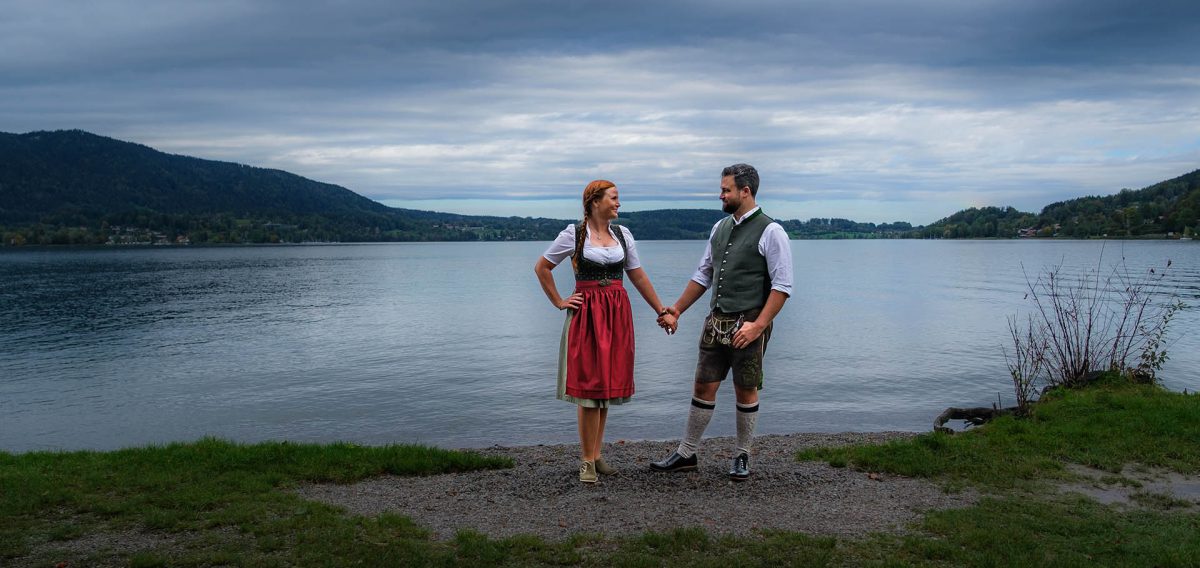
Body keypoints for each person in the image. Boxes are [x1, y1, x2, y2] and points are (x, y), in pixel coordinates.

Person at [652, 163, 793, 481]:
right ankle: (686, 453)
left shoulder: (772, 231)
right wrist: (676, 309)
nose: (721, 195)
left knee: (746, 389)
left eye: (726, 189)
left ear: (746, 191)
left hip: (749, 324)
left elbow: (782, 287)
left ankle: (743, 455)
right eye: (722, 189)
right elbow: (703, 275)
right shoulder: (719, 228)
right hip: (715, 323)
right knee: (703, 384)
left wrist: (758, 326)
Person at [535, 179, 673, 483]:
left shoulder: (622, 235)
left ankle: (596, 455)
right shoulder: (574, 234)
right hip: (586, 314)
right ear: (595, 201)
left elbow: (637, 276)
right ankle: (585, 461)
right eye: (614, 198)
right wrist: (559, 301)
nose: (619, 203)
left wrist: (661, 311)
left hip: (616, 313)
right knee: (588, 388)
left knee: (606, 387)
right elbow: (542, 267)